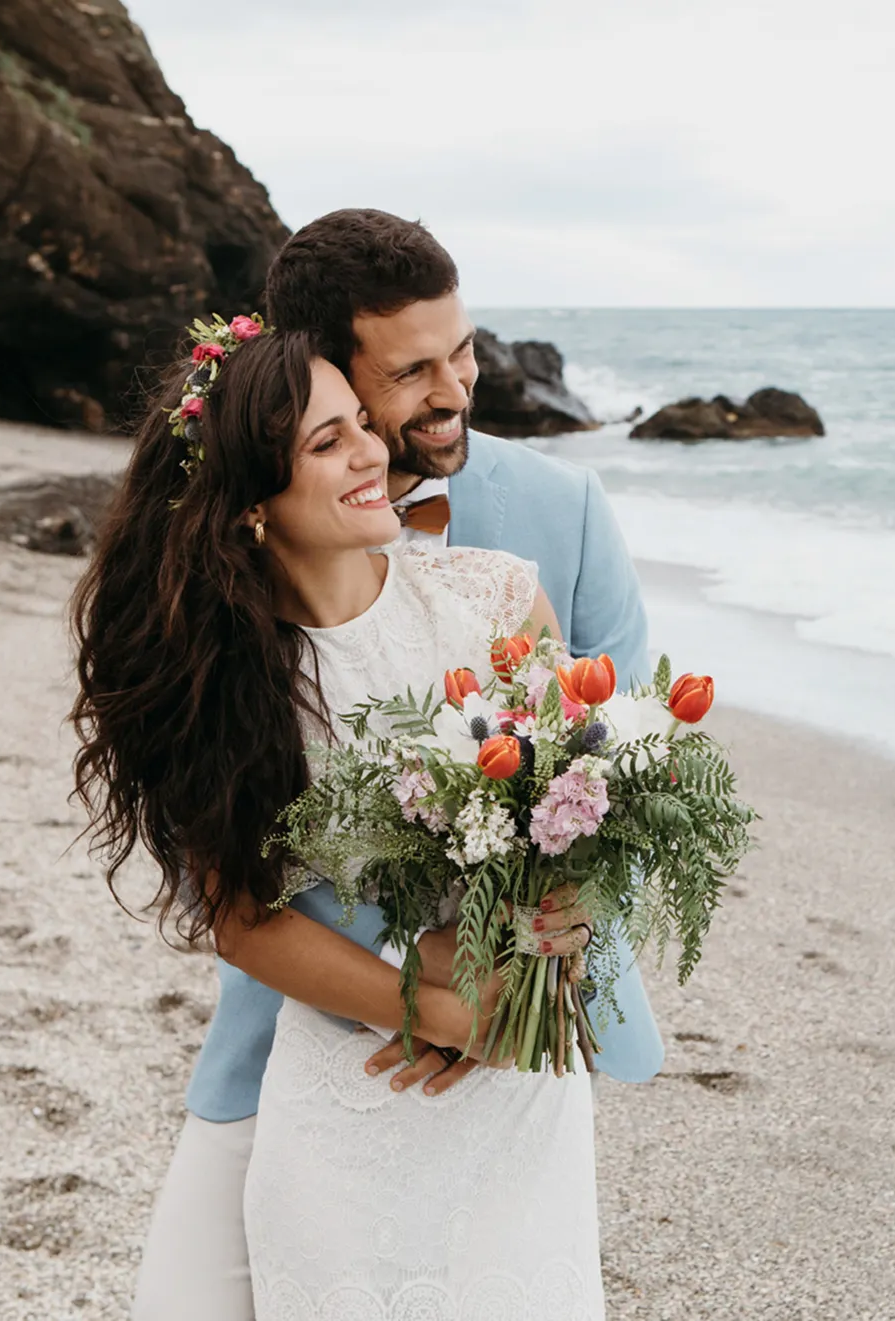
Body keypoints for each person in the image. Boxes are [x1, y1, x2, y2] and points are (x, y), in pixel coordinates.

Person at [81, 212, 660, 1320]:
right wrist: (422, 992)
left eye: (466, 352)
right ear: (311, 373)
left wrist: (528, 962)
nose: (453, 392)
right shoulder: (225, 620)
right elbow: (224, 869)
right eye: (410, 372)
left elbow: (618, 769)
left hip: (528, 1024)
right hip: (303, 1025)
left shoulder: (552, 522)